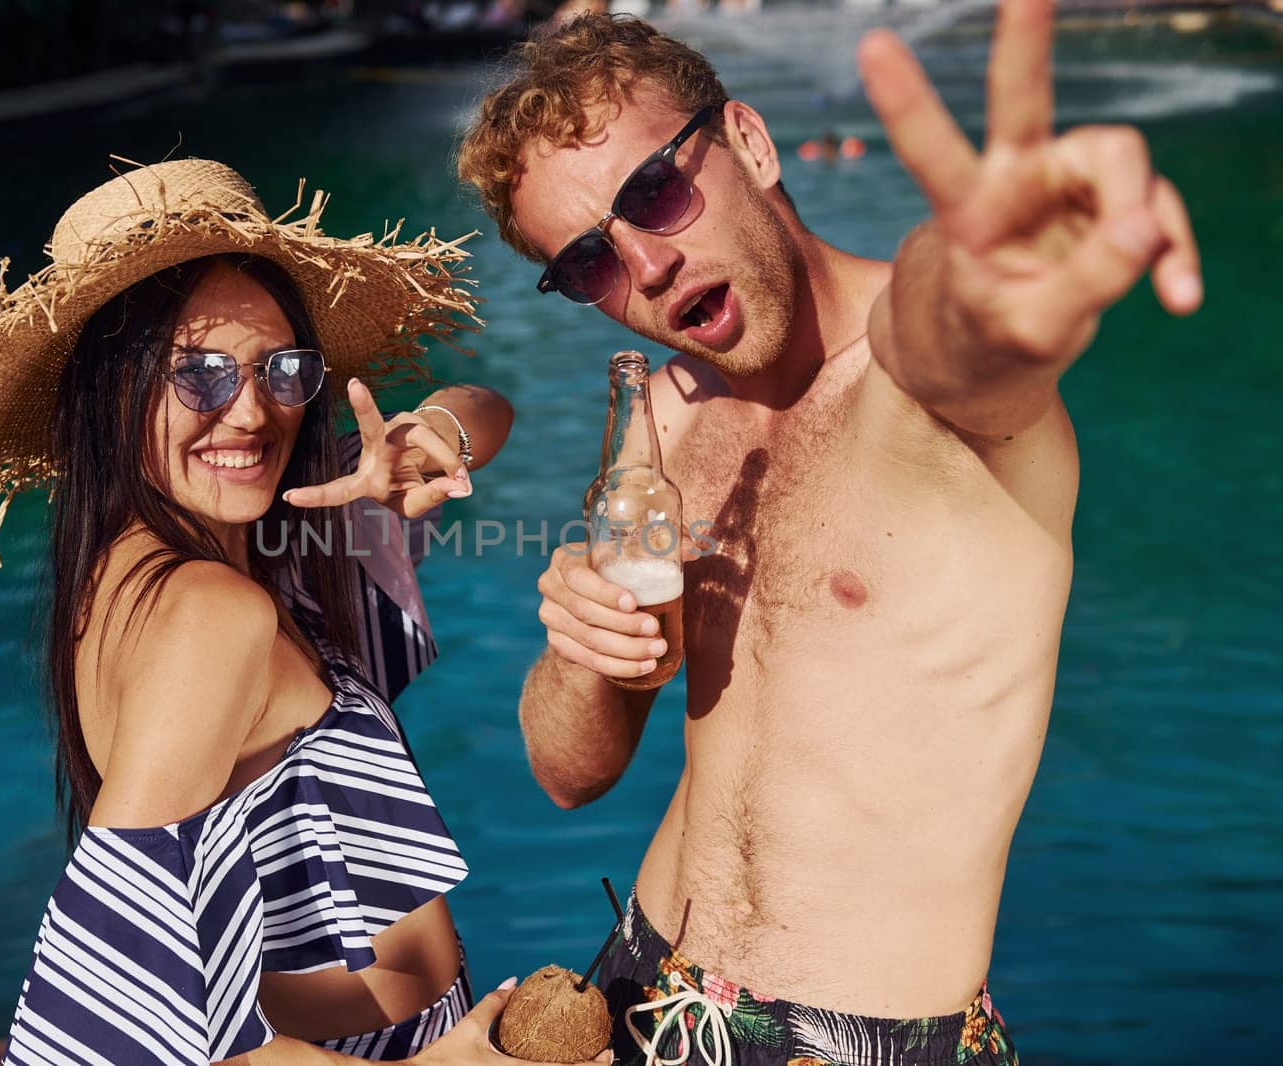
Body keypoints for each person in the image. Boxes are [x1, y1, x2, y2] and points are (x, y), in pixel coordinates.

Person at [458, 5, 1200, 1064]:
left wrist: (995, 277)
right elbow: (567, 774)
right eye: (589, 261)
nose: (647, 267)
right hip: (635, 987)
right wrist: (582, 657)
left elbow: (952, 341)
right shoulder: (660, 417)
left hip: (863, 1040)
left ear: (751, 144)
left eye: (653, 194)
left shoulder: (931, 399)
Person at [0, 158, 598, 1066]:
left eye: (282, 369)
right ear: (112, 387)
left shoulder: (186, 556)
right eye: (200, 376)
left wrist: (426, 440)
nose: (251, 413)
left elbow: (489, 410)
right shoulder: (215, 612)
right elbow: (115, 1008)